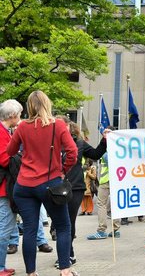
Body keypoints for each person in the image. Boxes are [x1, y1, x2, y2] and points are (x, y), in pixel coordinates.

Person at [7, 90, 78, 276]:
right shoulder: (58, 125)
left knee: (29, 229)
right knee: (63, 226)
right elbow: (73, 152)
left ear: (29, 106)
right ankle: (64, 270)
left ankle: (31, 273)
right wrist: (63, 170)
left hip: (24, 185)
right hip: (50, 184)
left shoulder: (22, 127)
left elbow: (10, 150)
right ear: (47, 104)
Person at [53, 119, 107, 268]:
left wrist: (104, 141)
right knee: (59, 222)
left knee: (68, 220)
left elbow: (96, 154)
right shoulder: (52, 142)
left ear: (70, 128)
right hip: (55, 187)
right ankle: (67, 253)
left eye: (64, 126)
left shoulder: (79, 143)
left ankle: (67, 255)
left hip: (75, 187)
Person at [0, 99, 23, 276]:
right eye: (20, 114)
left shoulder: (5, 131)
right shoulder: (1, 132)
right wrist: (20, 157)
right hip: (3, 188)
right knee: (4, 228)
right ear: (13, 115)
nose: (21, 117)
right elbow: (4, 158)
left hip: (5, 187)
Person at [87, 127, 121, 240]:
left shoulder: (109, 148)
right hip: (117, 179)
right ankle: (116, 230)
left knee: (101, 204)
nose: (104, 134)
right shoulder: (119, 146)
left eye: (108, 132)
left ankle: (101, 230)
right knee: (115, 203)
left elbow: (106, 158)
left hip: (107, 179)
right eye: (104, 132)